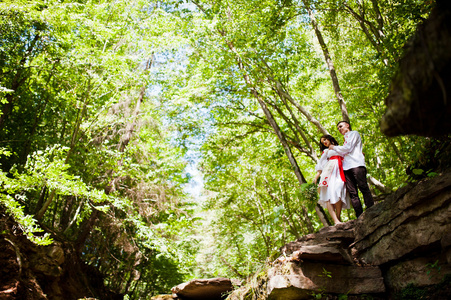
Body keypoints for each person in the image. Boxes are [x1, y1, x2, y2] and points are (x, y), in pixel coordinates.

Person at [329, 121, 374, 217]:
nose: (339, 129)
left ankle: (371, 209)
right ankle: (359, 215)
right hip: (346, 167)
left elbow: (347, 148)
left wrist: (334, 147)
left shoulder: (354, 134)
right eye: (338, 128)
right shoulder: (345, 139)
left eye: (341, 126)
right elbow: (344, 151)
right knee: (352, 193)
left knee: (363, 187)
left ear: (347, 125)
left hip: (356, 164)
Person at [313, 134, 350, 225]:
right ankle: (336, 220)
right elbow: (321, 164)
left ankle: (338, 217)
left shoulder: (341, 148)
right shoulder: (326, 151)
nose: (324, 142)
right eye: (322, 142)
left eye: (325, 139)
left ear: (330, 139)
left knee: (339, 191)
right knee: (328, 195)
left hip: (340, 172)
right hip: (329, 172)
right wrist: (316, 177)